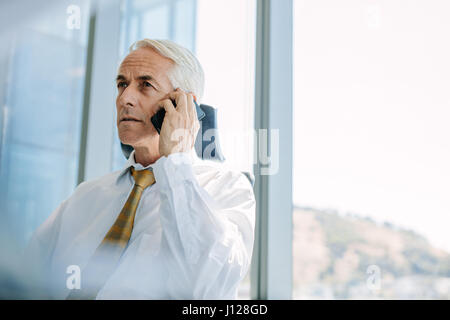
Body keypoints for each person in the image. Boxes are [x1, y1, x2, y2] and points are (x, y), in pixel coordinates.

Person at [24, 39, 256, 300]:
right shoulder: (85, 196)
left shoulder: (227, 188)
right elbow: (24, 275)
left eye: (145, 85)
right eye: (122, 84)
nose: (125, 98)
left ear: (184, 105)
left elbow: (204, 289)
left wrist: (176, 162)